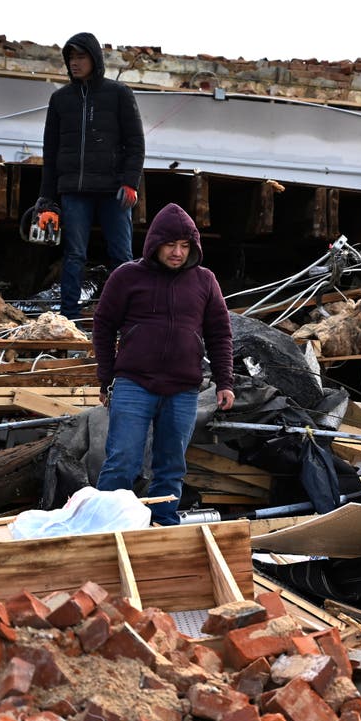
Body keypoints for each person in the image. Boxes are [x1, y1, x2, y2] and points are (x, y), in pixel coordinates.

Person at [92, 203, 235, 526]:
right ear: (155, 243)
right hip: (133, 384)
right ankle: (103, 528)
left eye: (185, 246)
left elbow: (220, 333)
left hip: (183, 390)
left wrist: (225, 382)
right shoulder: (127, 276)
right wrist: (106, 379)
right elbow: (102, 325)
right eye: (171, 244)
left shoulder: (205, 281)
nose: (177, 252)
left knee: (171, 467)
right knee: (122, 462)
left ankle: (163, 527)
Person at [37, 32, 146, 321]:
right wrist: (46, 201)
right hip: (74, 190)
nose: (75, 63)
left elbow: (136, 143)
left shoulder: (119, 94)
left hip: (114, 190)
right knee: (74, 255)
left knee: (122, 257)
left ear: (94, 59)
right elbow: (51, 154)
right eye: (70, 57)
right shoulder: (60, 99)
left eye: (80, 56)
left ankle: (128, 317)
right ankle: (68, 318)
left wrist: (130, 182)